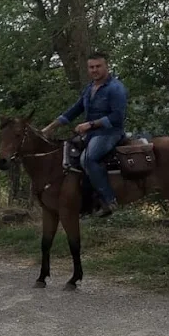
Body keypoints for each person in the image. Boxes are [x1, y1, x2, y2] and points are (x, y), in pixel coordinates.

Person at [42, 51, 128, 217]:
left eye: (98, 66)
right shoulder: (89, 89)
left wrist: (90, 124)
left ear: (107, 66)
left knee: (87, 158)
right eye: (91, 67)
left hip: (109, 133)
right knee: (66, 155)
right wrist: (50, 128)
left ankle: (109, 200)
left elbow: (118, 117)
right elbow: (74, 110)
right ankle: (85, 202)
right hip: (91, 134)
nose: (94, 70)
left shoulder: (115, 88)